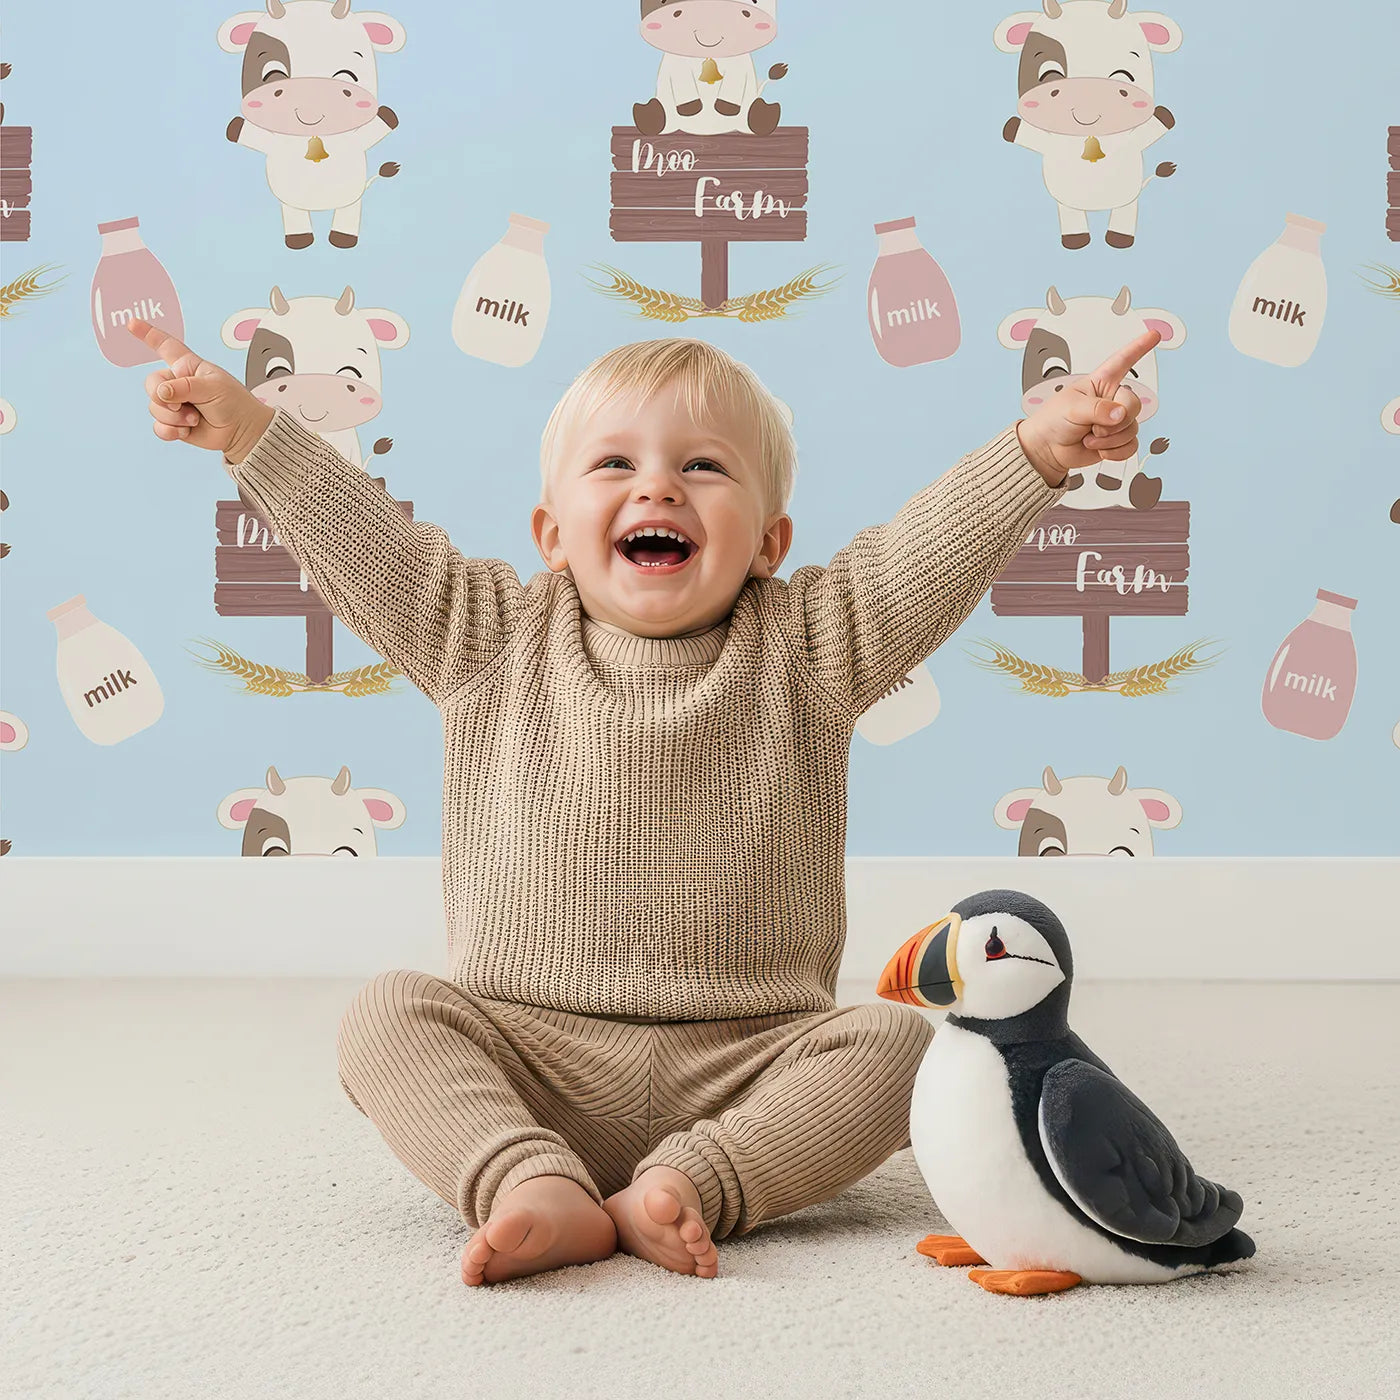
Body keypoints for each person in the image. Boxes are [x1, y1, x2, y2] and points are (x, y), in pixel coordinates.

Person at [127, 317, 1156, 1285]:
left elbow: (924, 548)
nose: (656, 486)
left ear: (766, 540)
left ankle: (686, 1184)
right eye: (614, 464)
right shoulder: (482, 634)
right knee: (386, 1014)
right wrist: (250, 432)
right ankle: (525, 1175)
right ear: (549, 531)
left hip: (748, 1060)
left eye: (701, 465)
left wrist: (1041, 448)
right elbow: (363, 541)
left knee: (902, 1047)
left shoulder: (811, 645)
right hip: (528, 1049)